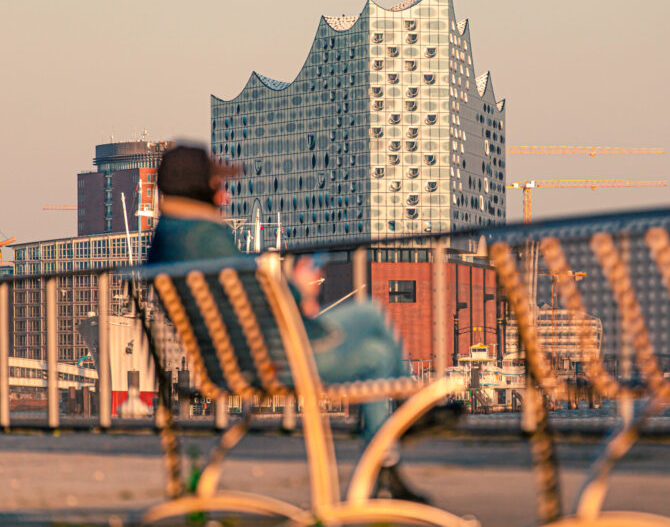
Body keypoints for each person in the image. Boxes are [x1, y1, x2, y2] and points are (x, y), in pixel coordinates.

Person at [148, 144, 458, 502]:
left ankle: (397, 438)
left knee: (369, 312)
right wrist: (297, 289)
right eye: (217, 185)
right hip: (273, 360)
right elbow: (263, 300)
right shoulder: (207, 239)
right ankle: (392, 450)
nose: (226, 195)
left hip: (242, 357)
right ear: (196, 189)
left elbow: (245, 301)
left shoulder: (166, 241)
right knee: (376, 353)